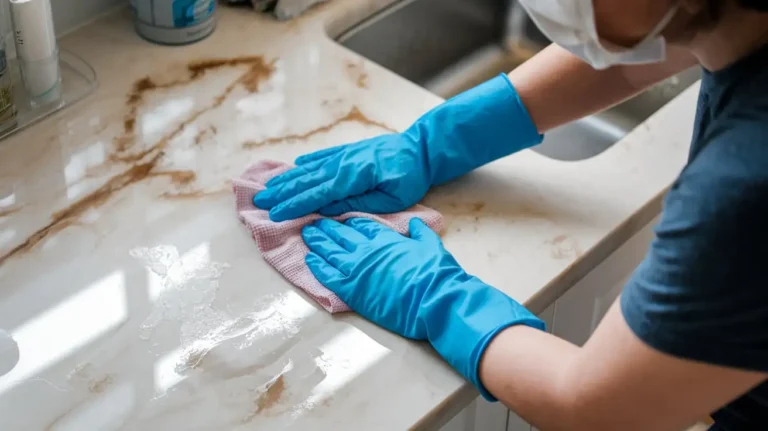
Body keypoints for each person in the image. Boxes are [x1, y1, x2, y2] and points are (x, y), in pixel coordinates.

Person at [254, 0, 768, 429]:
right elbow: (654, 44)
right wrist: (437, 140)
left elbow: (598, 411)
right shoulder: (733, 20)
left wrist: (434, 298)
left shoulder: (745, 178)